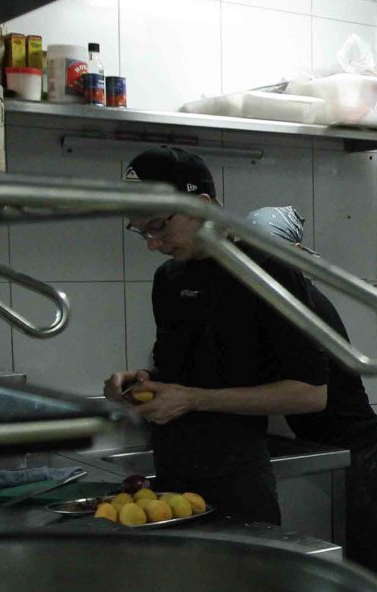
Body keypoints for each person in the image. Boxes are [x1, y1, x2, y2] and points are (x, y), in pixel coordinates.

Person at [105, 146, 328, 525]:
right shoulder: (169, 278)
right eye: (141, 231)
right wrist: (140, 384)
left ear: (203, 204)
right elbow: (182, 371)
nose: (152, 244)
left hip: (236, 480)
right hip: (171, 480)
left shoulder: (267, 269)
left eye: (159, 226)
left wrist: (192, 400)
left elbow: (310, 394)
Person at [244, 206, 377, 578]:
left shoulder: (304, 303)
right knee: (344, 552)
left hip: (353, 445)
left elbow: (304, 388)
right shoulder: (280, 300)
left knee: (361, 554)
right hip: (321, 442)